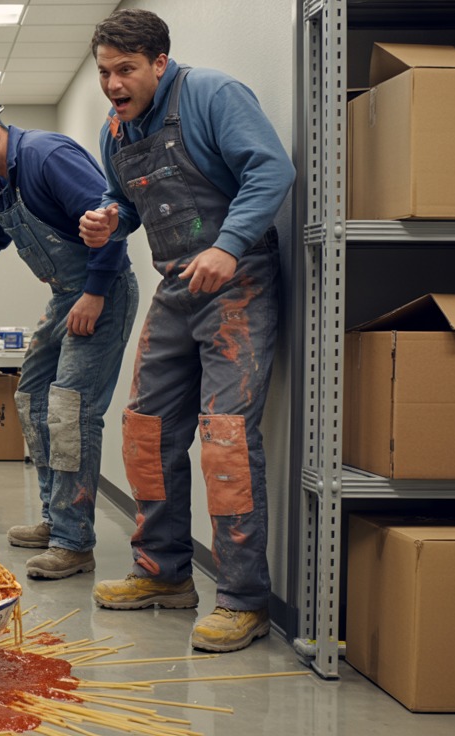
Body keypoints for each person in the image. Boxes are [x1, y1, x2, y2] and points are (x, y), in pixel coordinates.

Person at [79, 9, 294, 652]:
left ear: (158, 63)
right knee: (145, 430)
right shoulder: (116, 131)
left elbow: (271, 169)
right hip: (175, 287)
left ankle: (243, 599)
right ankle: (163, 573)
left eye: (125, 70)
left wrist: (228, 245)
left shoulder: (211, 95)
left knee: (225, 438)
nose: (113, 84)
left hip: (238, 282)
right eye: (104, 72)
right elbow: (128, 205)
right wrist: (108, 222)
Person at [0, 88, 139, 581]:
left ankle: (74, 542)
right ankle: (55, 516)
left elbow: (107, 220)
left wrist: (94, 293)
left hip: (100, 292)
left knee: (70, 408)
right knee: (32, 398)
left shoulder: (49, 156)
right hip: (66, 295)